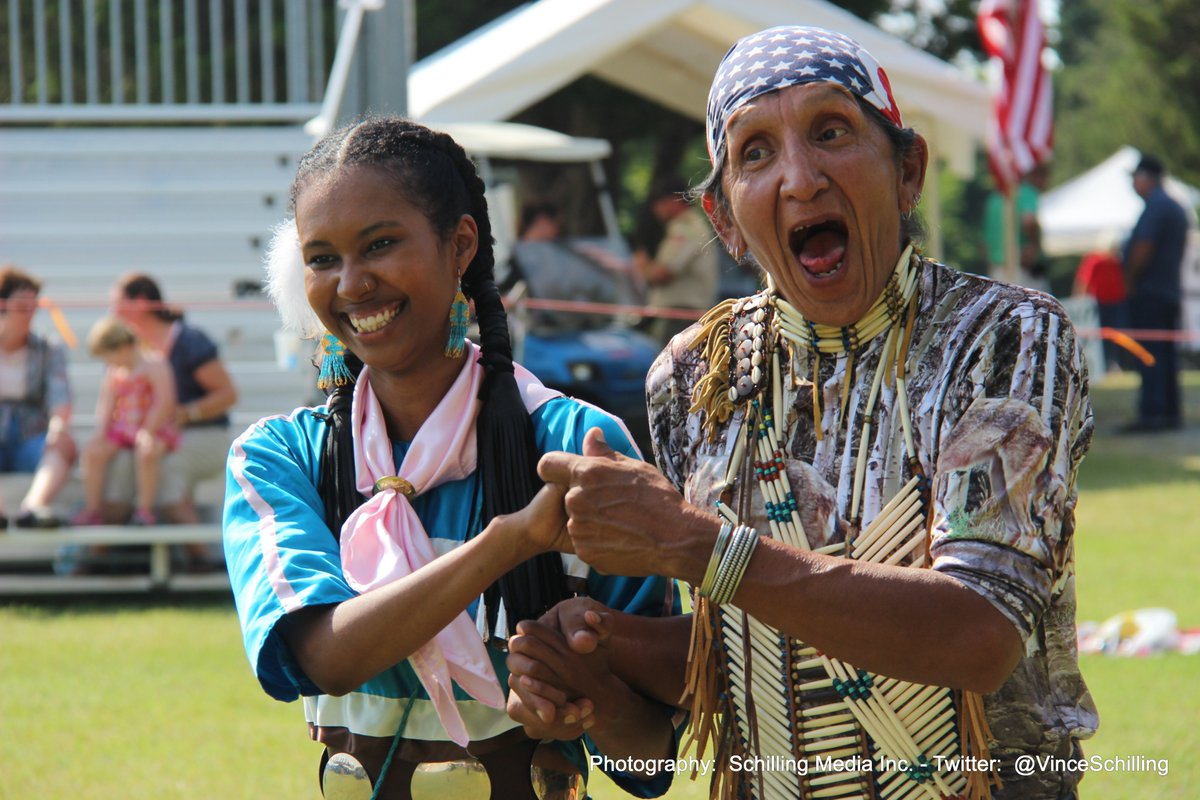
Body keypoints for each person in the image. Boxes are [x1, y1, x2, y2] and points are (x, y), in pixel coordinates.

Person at [506, 26, 1096, 800]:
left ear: (907, 169)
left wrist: (694, 544)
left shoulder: (1004, 337)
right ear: (724, 220)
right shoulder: (695, 378)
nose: (801, 178)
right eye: (756, 152)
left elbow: (978, 634)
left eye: (831, 132)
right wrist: (595, 648)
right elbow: (752, 645)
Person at [222, 116, 679, 799]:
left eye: (379, 244)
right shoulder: (281, 459)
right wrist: (509, 544)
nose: (351, 284)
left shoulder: (575, 447)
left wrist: (585, 692)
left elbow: (653, 765)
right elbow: (326, 658)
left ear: (459, 244)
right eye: (322, 258)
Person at [109, 273, 238, 522]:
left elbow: (228, 394)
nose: (113, 312)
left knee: (167, 472)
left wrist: (185, 413)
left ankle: (199, 559)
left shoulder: (189, 342)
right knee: (122, 465)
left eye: (119, 303)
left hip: (204, 433)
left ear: (142, 302)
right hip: (153, 437)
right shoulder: (127, 348)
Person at [73, 317, 179, 527]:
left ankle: (144, 511)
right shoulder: (115, 372)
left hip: (154, 428)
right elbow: (107, 405)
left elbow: (164, 401)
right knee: (93, 454)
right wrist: (100, 435)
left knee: (146, 452)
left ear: (122, 347)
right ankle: (92, 509)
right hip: (124, 429)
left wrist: (148, 430)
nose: (108, 363)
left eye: (109, 356)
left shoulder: (154, 363)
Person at [0, 265, 77, 528]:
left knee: (62, 445)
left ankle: (33, 508)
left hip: (29, 439)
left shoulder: (48, 349)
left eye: (34, 306)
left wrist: (58, 429)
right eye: (22, 306)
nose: (29, 313)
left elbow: (60, 399)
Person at [1122, 154, 1188, 431]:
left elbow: (1143, 247)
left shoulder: (1156, 207)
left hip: (1150, 292)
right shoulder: (1175, 206)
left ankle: (1153, 413)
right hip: (1169, 290)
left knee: (1149, 353)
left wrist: (1129, 278)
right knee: (1166, 354)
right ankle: (1169, 412)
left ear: (1147, 177)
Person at [634, 175, 720, 343]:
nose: (655, 209)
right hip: (682, 316)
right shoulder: (690, 225)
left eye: (660, 202)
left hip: (680, 317)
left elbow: (662, 274)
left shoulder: (686, 229)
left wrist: (641, 264)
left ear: (674, 200)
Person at [983, 163, 1050, 292]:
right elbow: (1028, 220)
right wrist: (1035, 245)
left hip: (998, 272)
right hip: (1024, 271)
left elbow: (985, 244)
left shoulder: (994, 199)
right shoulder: (1027, 192)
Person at [1072, 243, 1129, 371]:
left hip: (1116, 303)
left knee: (1116, 334)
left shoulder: (1116, 262)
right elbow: (1083, 280)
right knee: (1099, 336)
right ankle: (1103, 363)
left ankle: (1114, 362)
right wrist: (1079, 301)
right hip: (1099, 304)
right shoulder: (1094, 260)